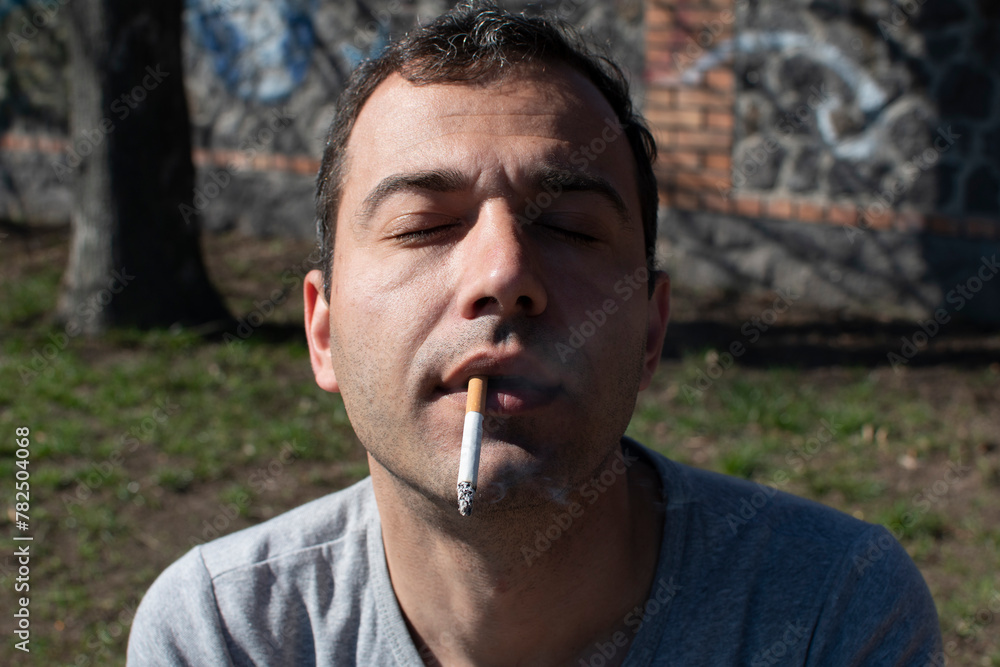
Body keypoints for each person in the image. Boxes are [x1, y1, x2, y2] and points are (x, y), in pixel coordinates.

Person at [127, 2, 942, 665]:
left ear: (652, 332)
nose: (503, 274)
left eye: (573, 228)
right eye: (423, 225)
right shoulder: (226, 635)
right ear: (324, 331)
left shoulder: (832, 613)